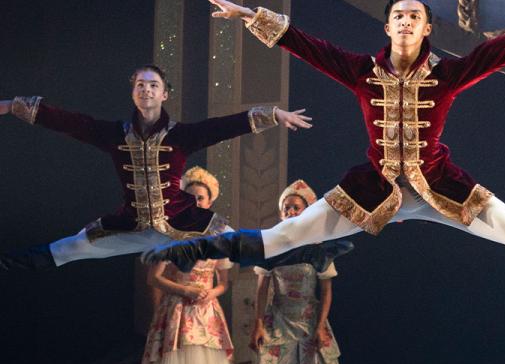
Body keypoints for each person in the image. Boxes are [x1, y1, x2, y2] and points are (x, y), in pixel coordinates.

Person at [143, 0, 505, 286]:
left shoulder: (447, 74)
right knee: (289, 235)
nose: (406, 22)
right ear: (388, 28)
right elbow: (305, 44)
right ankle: (198, 248)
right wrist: (247, 16)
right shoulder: (362, 71)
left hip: (441, 187)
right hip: (373, 189)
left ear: (426, 30)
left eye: (415, 16)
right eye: (399, 16)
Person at [0, 65, 320, 271]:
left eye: (153, 85)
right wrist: (13, 105)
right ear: (133, 93)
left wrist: (275, 114)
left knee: (240, 244)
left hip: (185, 223)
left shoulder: (181, 135)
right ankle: (9, 263)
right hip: (134, 226)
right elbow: (69, 122)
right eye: (140, 84)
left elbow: (224, 126)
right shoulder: (113, 134)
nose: (147, 89)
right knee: (70, 247)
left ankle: (306, 254)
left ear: (164, 94)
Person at [131, 167, 245, 364]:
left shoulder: (220, 233)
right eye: (191, 197)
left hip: (205, 315)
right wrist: (183, 290)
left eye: (201, 198)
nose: (197, 202)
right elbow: (154, 278)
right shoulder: (171, 233)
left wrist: (212, 292)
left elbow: (223, 282)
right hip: (178, 311)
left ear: (210, 201)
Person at [248, 180, 353, 364]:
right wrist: (258, 323)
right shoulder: (271, 247)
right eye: (286, 208)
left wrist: (320, 326)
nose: (291, 211)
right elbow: (261, 289)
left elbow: (326, 290)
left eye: (296, 207)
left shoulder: (319, 249)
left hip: (308, 321)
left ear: (307, 211)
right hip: (278, 320)